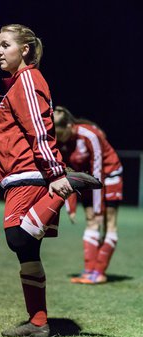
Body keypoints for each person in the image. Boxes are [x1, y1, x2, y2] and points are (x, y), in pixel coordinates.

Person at [0, 25, 101, 337]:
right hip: (20, 175)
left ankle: (69, 183)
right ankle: (38, 323)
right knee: (26, 253)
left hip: (31, 174)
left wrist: (56, 175)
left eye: (5, 45)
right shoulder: (17, 84)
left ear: (24, 49)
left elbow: (40, 130)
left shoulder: (27, 79)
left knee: (17, 237)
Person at [53, 106, 123, 284]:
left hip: (110, 175)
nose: (60, 139)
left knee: (108, 223)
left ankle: (99, 272)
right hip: (89, 180)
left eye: (61, 134)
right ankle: (88, 272)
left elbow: (98, 169)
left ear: (69, 126)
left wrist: (99, 208)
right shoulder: (63, 142)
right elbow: (68, 172)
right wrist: (70, 204)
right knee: (91, 220)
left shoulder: (90, 135)